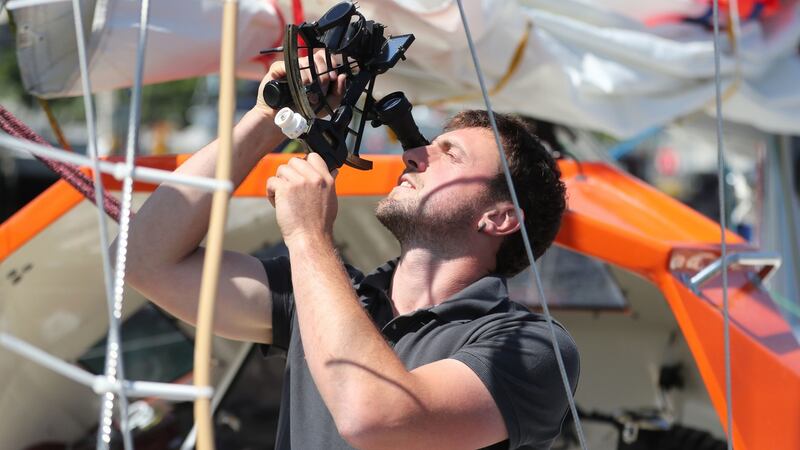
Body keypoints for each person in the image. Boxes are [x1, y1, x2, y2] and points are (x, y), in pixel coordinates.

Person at [120, 56, 579, 450]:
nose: (414, 156)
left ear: (499, 218)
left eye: (450, 155)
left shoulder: (532, 347)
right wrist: (269, 116)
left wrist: (308, 236)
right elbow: (144, 260)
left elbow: (373, 416)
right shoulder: (328, 294)